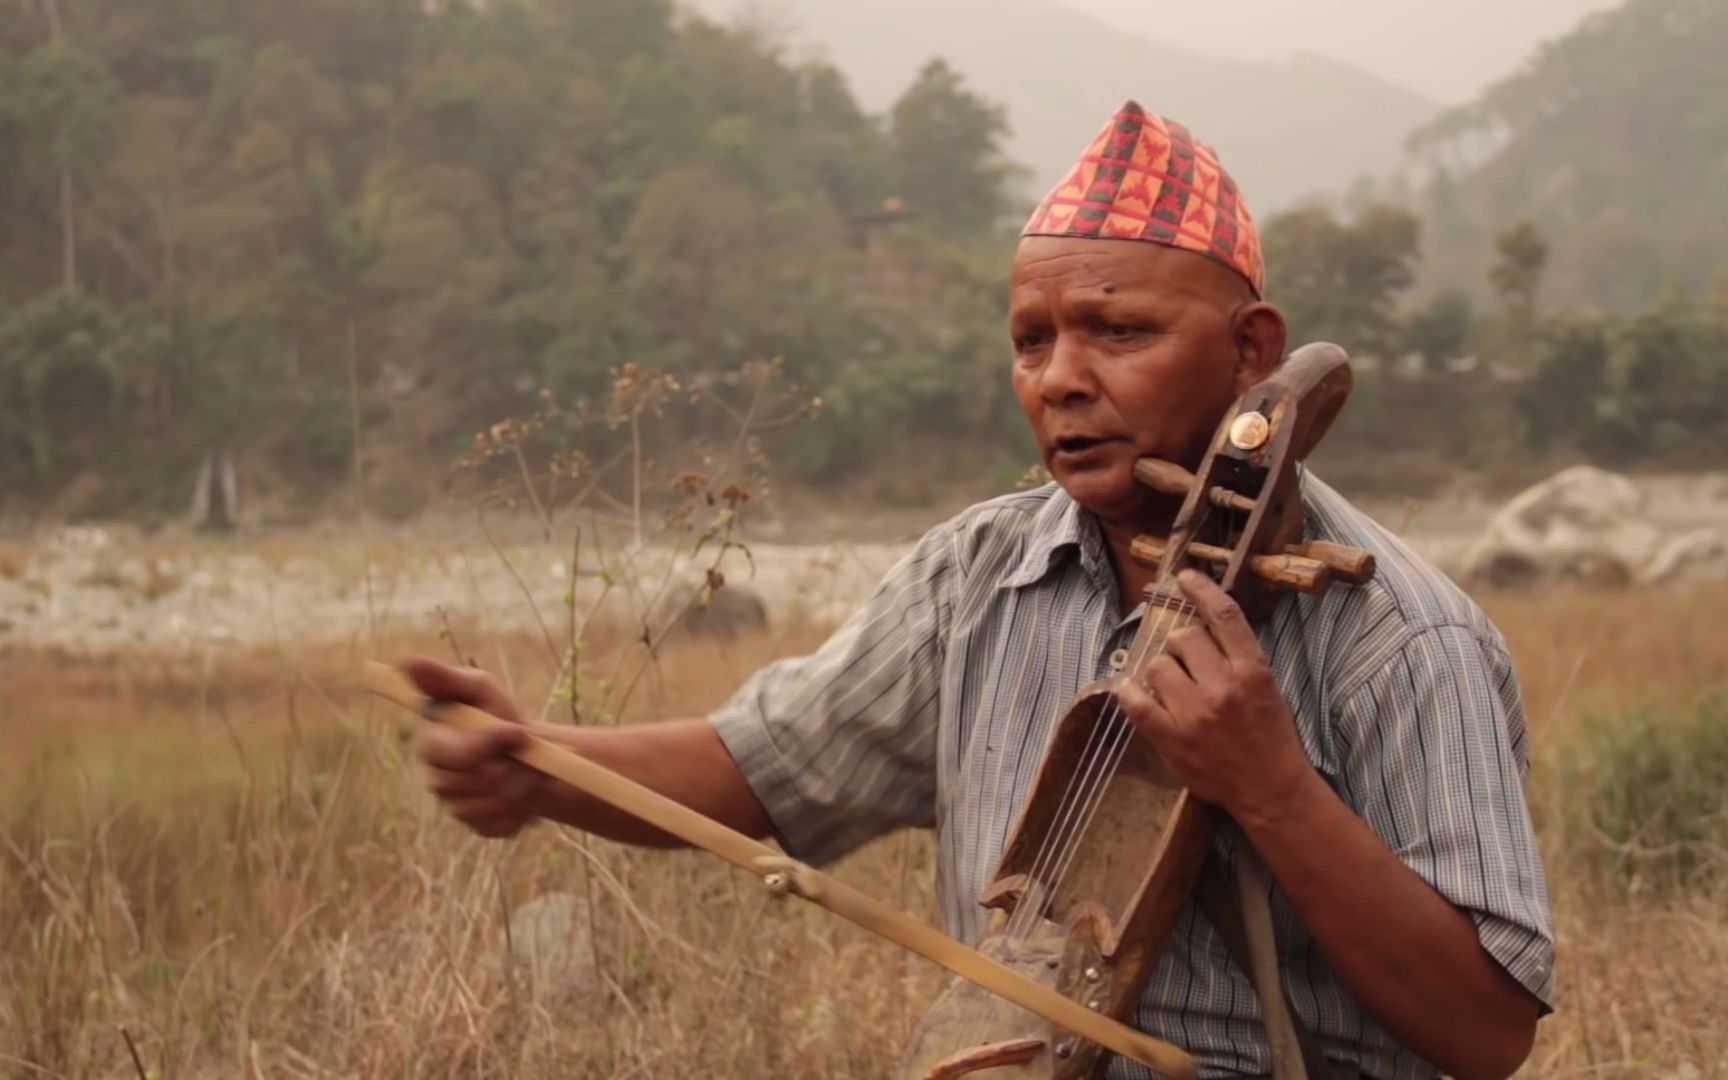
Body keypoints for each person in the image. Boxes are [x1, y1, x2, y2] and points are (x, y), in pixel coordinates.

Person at [405, 102, 1552, 1079]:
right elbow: (763, 771)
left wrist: (1273, 788)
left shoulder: (1400, 637)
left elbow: (1488, 1029)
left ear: (1253, 351)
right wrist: (537, 762)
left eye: (1119, 330)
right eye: (1031, 340)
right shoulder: (976, 579)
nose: (1061, 379)